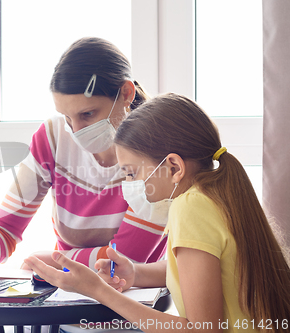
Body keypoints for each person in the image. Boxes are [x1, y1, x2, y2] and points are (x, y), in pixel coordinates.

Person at [24, 93, 290, 333]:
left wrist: (98, 290)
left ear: (174, 167)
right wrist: (136, 274)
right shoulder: (215, 196)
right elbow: (199, 270)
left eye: (132, 173)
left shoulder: (190, 208)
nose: (129, 185)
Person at [0, 37, 168, 284]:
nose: (77, 130)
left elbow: (125, 261)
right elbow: (6, 227)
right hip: (67, 294)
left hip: (131, 304)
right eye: (67, 117)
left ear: (125, 94)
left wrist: (54, 259)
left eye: (87, 114)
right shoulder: (54, 137)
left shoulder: (157, 153)